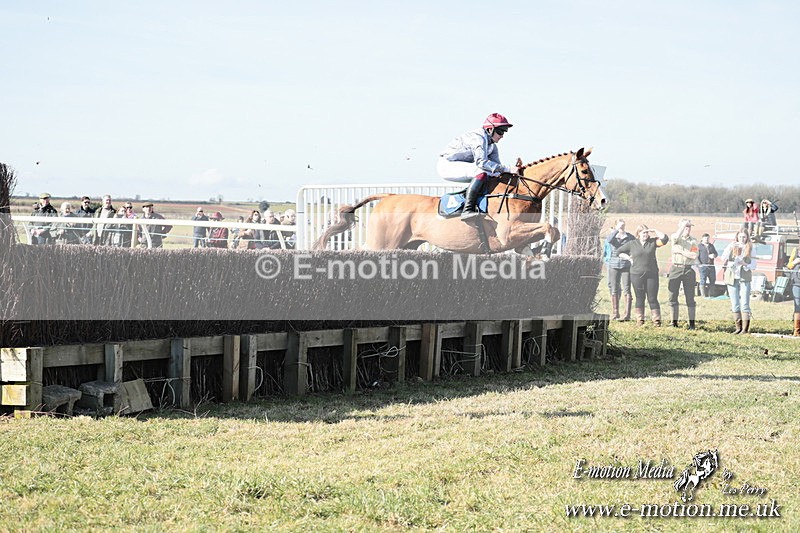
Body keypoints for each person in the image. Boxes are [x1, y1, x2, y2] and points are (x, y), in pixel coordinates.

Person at [437, 113, 518, 220]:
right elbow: (482, 163)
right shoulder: (478, 138)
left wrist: (513, 171)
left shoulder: (492, 147)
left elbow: (497, 170)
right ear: (490, 130)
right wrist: (508, 168)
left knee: (490, 173)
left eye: (504, 132)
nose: (502, 135)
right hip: (447, 165)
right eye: (500, 131)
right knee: (480, 171)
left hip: (461, 165)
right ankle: (467, 210)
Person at [616, 225, 669, 326]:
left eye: (647, 232)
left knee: (652, 298)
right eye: (643, 232)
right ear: (638, 234)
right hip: (636, 274)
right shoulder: (632, 244)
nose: (645, 234)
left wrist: (655, 230)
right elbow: (618, 252)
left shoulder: (653, 242)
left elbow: (665, 239)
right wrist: (628, 258)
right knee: (639, 297)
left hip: (651, 274)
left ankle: (656, 321)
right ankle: (640, 320)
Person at [720, 230, 757, 334]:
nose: (742, 239)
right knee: (735, 303)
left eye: (744, 237)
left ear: (747, 238)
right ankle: (738, 328)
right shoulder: (732, 246)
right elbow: (723, 258)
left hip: (744, 277)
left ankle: (745, 329)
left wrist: (744, 264)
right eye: (740, 237)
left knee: (745, 303)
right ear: (737, 237)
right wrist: (729, 248)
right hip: (732, 276)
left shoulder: (750, 248)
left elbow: (754, 265)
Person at [667, 219, 699, 329]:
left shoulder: (693, 241)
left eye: (689, 226)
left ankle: (692, 324)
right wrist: (682, 226)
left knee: (690, 297)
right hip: (676, 268)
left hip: (688, 269)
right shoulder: (675, 238)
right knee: (672, 296)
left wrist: (680, 251)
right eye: (686, 226)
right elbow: (675, 238)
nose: (688, 228)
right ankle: (673, 322)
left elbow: (694, 255)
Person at [605, 219, 635, 320]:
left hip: (626, 265)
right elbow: (608, 240)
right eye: (620, 225)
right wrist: (616, 230)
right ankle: (615, 313)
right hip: (613, 264)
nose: (622, 227)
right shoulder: (613, 236)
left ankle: (627, 314)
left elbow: (635, 245)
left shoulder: (629, 237)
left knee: (627, 288)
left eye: (623, 225)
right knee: (614, 288)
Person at [697, 233, 718, 298]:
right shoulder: (699, 246)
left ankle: (711, 295)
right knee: (703, 280)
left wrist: (714, 255)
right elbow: (695, 255)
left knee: (712, 280)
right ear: (702, 238)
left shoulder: (711, 246)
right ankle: (703, 295)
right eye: (705, 238)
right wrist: (699, 264)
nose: (707, 239)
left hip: (711, 266)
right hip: (703, 266)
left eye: (708, 238)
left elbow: (716, 253)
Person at [786, 246, 800, 336]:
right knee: (798, 306)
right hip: (796, 283)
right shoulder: (795, 251)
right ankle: (797, 330)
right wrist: (795, 262)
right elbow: (788, 266)